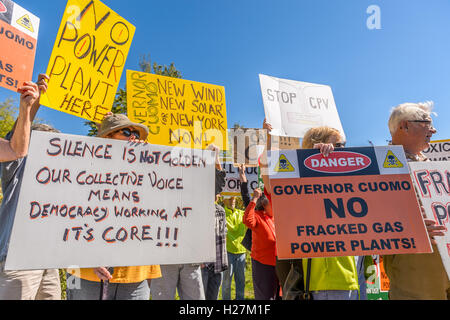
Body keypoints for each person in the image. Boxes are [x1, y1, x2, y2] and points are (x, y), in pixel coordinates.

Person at [66, 113, 162, 300]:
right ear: (107, 138)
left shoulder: (148, 172)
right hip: (87, 271)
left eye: (135, 134)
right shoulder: (82, 169)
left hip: (135, 272)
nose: (133, 137)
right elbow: (67, 218)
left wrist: (152, 164)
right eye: (126, 132)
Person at [0, 75, 63, 300]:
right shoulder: (16, 166)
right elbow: (17, 144)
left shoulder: (58, 180)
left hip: (48, 261)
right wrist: (32, 104)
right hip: (18, 259)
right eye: (46, 145)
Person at [383, 101, 449, 300]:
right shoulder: (378, 167)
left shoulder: (435, 168)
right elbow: (366, 219)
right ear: (404, 125)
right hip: (415, 269)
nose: (434, 129)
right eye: (427, 123)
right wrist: (410, 227)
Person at [151, 144, 227, 300]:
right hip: (165, 257)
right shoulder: (157, 185)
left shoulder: (196, 189)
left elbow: (217, 183)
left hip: (190, 257)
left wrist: (214, 157)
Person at [201, 144, 228, 300]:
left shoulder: (220, 210)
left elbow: (219, 176)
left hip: (217, 264)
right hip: (202, 263)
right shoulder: (195, 207)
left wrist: (216, 156)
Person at [243, 187, 279, 300]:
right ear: (264, 204)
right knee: (265, 296)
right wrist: (254, 198)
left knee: (277, 295)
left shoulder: (272, 218)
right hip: (262, 264)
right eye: (271, 204)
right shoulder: (257, 216)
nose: (274, 207)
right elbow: (247, 220)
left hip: (276, 263)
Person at [222, 195, 247, 300]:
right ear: (224, 200)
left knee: (241, 282)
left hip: (241, 252)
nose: (232, 200)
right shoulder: (222, 214)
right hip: (228, 252)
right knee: (227, 282)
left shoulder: (242, 213)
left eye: (234, 198)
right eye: (229, 198)